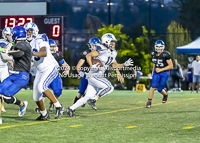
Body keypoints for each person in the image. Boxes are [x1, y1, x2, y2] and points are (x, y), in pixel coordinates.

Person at [66, 33, 132, 117]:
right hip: (94, 75)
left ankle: (71, 109)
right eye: (112, 42)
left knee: (87, 97)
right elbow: (88, 55)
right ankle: (94, 99)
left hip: (95, 76)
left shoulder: (113, 52)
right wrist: (91, 66)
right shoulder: (101, 48)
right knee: (110, 87)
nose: (114, 44)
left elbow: (114, 65)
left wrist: (124, 64)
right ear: (107, 41)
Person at [24, 22, 64, 120]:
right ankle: (44, 114)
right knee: (36, 97)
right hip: (40, 70)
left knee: (42, 86)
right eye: (26, 31)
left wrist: (29, 53)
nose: (28, 33)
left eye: (30, 31)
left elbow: (44, 53)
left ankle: (59, 107)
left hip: (50, 67)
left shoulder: (40, 38)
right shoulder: (25, 42)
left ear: (35, 31)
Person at [0, 26, 32, 122]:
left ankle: (22, 104)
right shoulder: (16, 44)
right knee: (0, 93)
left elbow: (19, 53)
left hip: (22, 76)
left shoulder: (24, 44)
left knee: (6, 95)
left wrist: (6, 51)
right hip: (13, 74)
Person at [35, 39, 69, 113]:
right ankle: (39, 107)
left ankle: (53, 102)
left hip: (54, 75)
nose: (52, 48)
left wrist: (67, 70)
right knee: (43, 91)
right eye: (50, 47)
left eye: (53, 47)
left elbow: (65, 64)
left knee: (58, 91)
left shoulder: (57, 54)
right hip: (45, 74)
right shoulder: (42, 55)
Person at [73, 37, 101, 110]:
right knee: (80, 92)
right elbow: (78, 65)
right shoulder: (86, 53)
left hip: (95, 76)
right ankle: (73, 107)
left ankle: (87, 98)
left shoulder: (100, 54)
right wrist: (80, 72)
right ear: (90, 45)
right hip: (86, 74)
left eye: (97, 46)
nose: (96, 47)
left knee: (95, 93)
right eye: (94, 45)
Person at [146, 40, 173, 108]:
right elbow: (155, 64)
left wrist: (161, 69)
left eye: (160, 46)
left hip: (165, 72)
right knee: (153, 86)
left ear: (163, 47)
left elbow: (171, 66)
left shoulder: (166, 54)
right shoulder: (153, 54)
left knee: (160, 89)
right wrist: (153, 72)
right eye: (157, 46)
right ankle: (149, 101)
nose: (159, 48)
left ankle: (165, 94)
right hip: (156, 72)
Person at [0, 27, 14, 112]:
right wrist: (10, 61)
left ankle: (2, 105)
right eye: (9, 35)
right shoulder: (2, 42)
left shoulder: (11, 43)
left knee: (5, 87)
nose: (10, 36)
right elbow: (3, 50)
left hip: (3, 67)